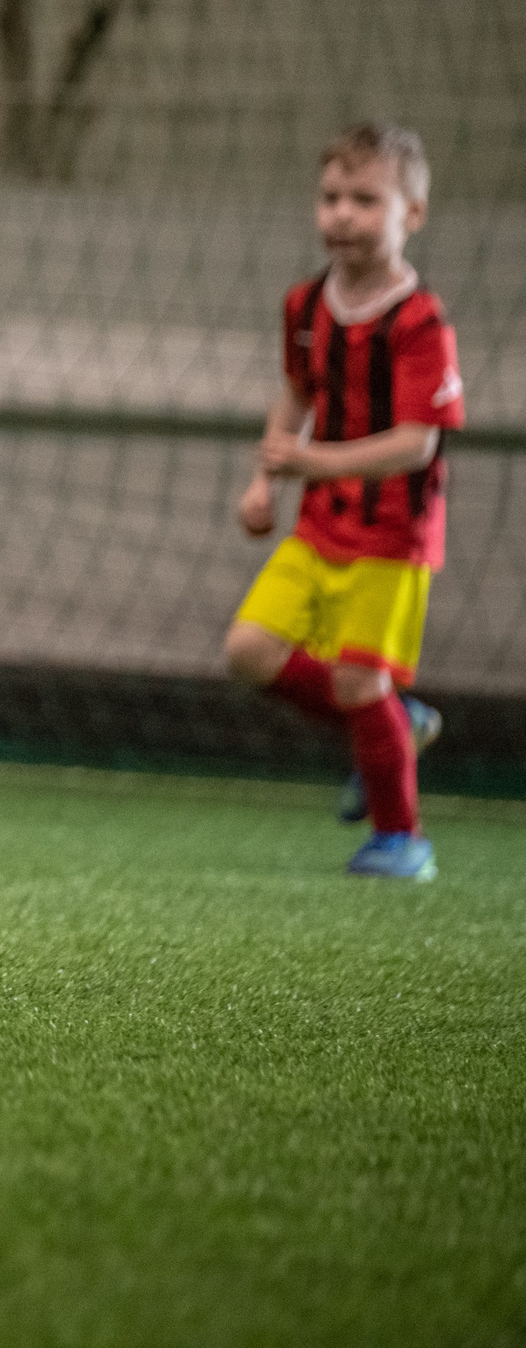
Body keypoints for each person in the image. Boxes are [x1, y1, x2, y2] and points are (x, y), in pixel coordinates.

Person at [225, 123, 462, 882]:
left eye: (367, 199)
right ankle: (394, 723)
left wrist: (311, 461)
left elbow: (418, 441)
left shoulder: (422, 321)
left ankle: (403, 840)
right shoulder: (305, 303)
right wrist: (266, 480)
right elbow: (297, 391)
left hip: (395, 533)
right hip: (322, 523)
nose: (344, 214)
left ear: (412, 215)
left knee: (362, 681)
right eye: (331, 197)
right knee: (250, 651)